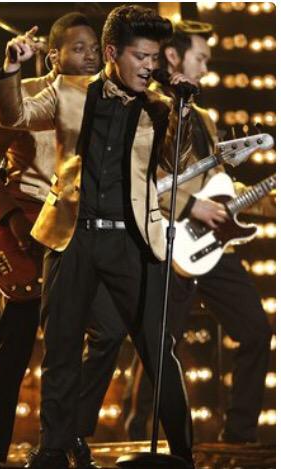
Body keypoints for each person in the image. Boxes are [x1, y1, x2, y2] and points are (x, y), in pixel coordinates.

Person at [0, 5, 197, 468]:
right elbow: (15, 116)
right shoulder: (68, 92)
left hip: (132, 240)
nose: (149, 66)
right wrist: (10, 70)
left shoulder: (158, 107)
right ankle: (53, 448)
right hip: (72, 236)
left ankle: (184, 451)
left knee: (156, 348)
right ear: (111, 53)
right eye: (141, 57)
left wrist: (182, 108)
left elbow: (176, 161)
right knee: (61, 347)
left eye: (155, 58)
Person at [77, 20, 273, 446]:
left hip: (211, 244)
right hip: (164, 239)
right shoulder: (145, 107)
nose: (205, 68)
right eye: (200, 58)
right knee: (159, 346)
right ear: (173, 56)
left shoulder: (203, 118)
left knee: (257, 330)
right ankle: (136, 435)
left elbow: (216, 182)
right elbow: (137, 180)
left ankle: (239, 438)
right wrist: (189, 206)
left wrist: (263, 198)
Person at [0, 12, 101, 469]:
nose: (91, 56)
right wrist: (11, 220)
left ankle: (64, 443)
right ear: (53, 55)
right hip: (29, 233)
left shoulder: (108, 99)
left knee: (88, 341)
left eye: (96, 48)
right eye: (79, 48)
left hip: (83, 233)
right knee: (15, 343)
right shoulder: (28, 96)